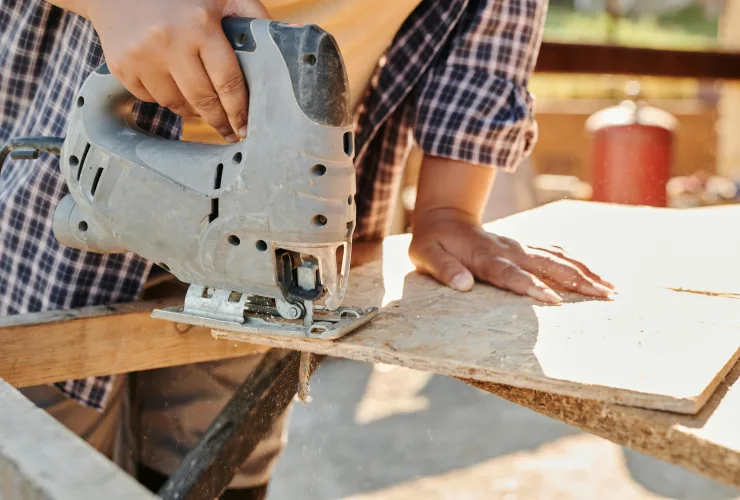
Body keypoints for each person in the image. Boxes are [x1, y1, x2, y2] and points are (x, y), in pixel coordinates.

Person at [0, 0, 615, 497]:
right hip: (44, 241)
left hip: (267, 251)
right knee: (50, 459)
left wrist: (448, 209)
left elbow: (489, 39)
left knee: (221, 466)